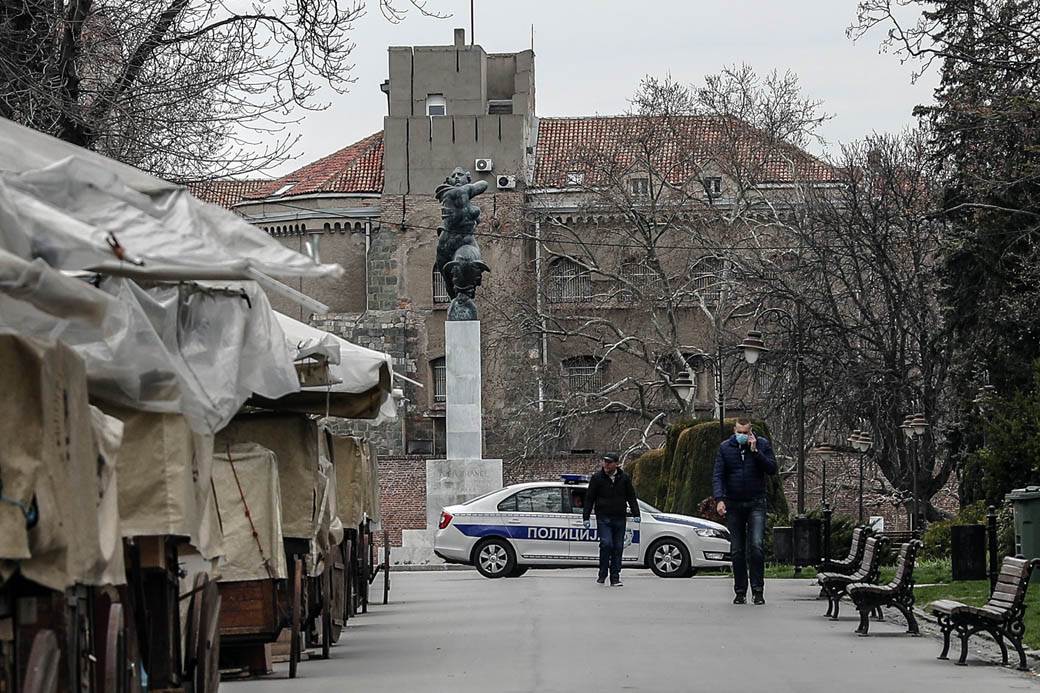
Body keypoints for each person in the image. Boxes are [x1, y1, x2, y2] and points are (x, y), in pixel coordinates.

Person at [712, 418, 778, 605]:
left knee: (756, 546)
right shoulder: (725, 448)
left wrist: (755, 451)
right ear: (734, 431)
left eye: (746, 432)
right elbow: (718, 475)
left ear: (751, 432)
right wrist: (720, 499)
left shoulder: (762, 444)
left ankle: (758, 590)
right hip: (733, 503)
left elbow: (771, 468)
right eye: (739, 432)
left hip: (756, 502)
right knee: (737, 550)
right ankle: (740, 590)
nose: (742, 435)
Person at [583, 452, 640, 586]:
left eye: (609, 462)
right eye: (605, 462)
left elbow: (631, 496)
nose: (606, 465)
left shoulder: (624, 478)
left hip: (619, 517)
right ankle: (602, 573)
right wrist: (585, 517)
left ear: (616, 464)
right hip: (604, 517)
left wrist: (636, 513)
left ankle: (615, 577)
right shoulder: (597, 478)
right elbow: (589, 498)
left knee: (618, 547)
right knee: (606, 544)